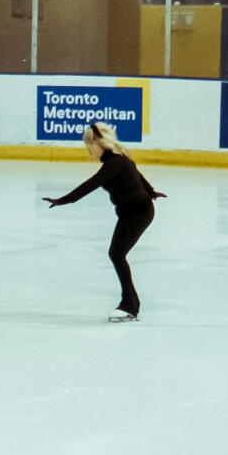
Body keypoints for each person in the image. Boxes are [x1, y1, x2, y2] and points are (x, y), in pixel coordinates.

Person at [44, 121, 166, 322]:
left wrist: (62, 200)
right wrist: (151, 190)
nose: (88, 150)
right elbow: (137, 173)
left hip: (140, 213)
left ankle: (130, 305)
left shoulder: (115, 164)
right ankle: (130, 303)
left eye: (88, 145)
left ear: (97, 144)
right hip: (128, 213)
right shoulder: (118, 160)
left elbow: (89, 186)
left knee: (117, 254)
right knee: (116, 254)